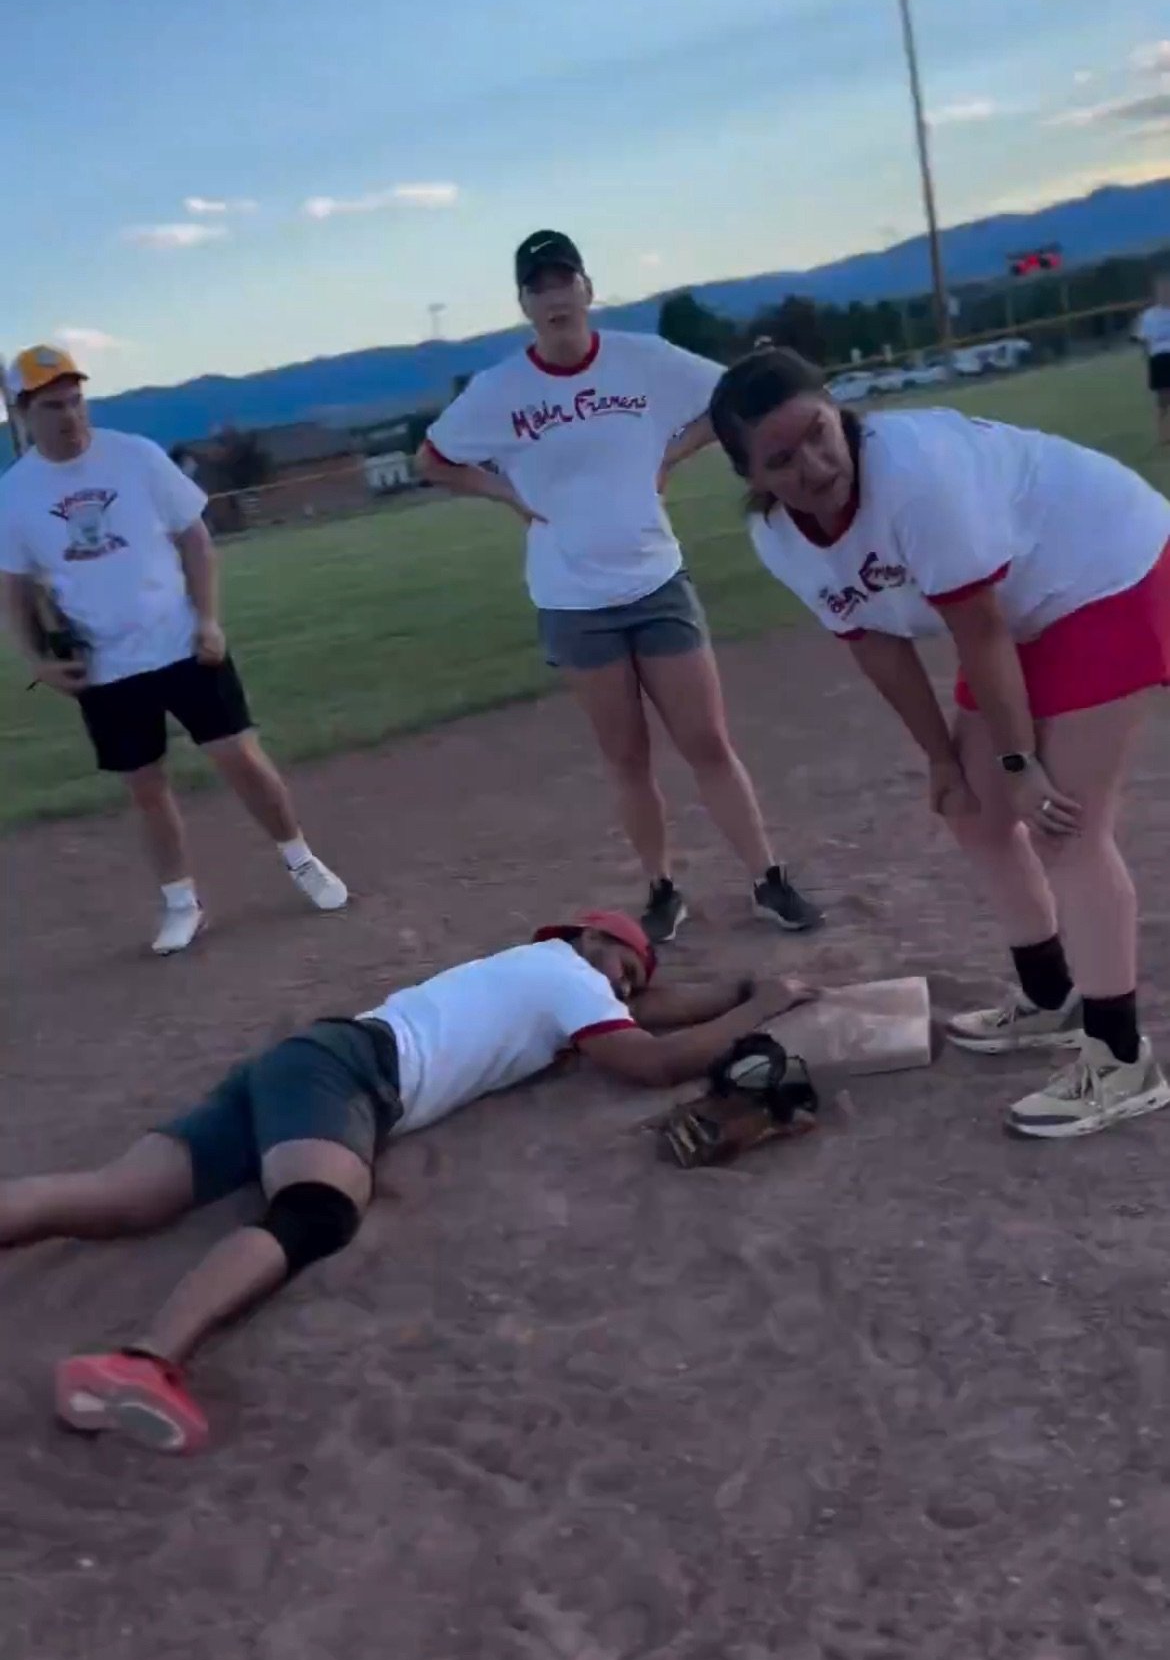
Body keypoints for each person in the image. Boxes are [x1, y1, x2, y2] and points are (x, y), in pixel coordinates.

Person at [0, 909, 812, 1453]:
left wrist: (738, 989)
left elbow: (661, 1011)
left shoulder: (543, 972)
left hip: (304, 1062)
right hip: (349, 1076)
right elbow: (653, 1060)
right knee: (317, 1211)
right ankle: (144, 1359)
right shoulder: (568, 973)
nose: (625, 989)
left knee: (122, 1196)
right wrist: (763, 1006)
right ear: (586, 942)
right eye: (622, 970)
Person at [708, 344, 1170, 1140]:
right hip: (1024, 604)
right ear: (751, 476)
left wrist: (1021, 762)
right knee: (973, 810)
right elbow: (877, 644)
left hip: (1108, 572)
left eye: (819, 432)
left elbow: (977, 628)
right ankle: (1050, 995)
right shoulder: (780, 537)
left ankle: (1122, 1058)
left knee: (1065, 823)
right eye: (781, 459)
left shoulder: (914, 474)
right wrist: (941, 757)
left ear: (837, 408)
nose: (815, 465)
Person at [416, 230, 821, 946]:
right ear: (524, 304)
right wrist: (502, 491)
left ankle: (768, 877)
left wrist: (671, 454)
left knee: (706, 740)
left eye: (563, 280)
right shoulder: (499, 390)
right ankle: (663, 888)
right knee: (627, 755)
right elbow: (433, 457)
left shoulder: (642, 359)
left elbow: (728, 397)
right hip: (572, 601)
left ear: (586, 289)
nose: (553, 296)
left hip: (654, 578)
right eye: (538, 286)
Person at [0, 345, 347, 954]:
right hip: (103, 667)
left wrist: (209, 619)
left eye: (77, 399)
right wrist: (37, 659)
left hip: (182, 642)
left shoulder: (136, 456)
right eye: (53, 405)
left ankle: (301, 860)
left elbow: (194, 536)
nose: (70, 415)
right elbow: (15, 584)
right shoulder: (17, 493)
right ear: (23, 413)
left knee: (240, 757)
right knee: (145, 787)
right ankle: (180, 903)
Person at [1132, 275, 1170, 448]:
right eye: (1162, 291)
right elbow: (1144, 340)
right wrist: (1147, 359)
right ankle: (1162, 434)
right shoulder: (1149, 316)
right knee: (1163, 398)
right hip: (1159, 359)